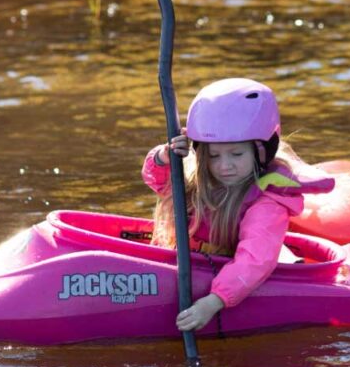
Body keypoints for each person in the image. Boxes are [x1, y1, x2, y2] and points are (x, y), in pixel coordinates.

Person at [142, 77, 334, 331]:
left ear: (261, 150)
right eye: (214, 155)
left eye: (236, 154)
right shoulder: (200, 176)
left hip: (230, 283)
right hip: (194, 263)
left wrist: (213, 301)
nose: (224, 165)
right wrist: (164, 157)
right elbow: (160, 182)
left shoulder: (267, 203)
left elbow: (255, 259)